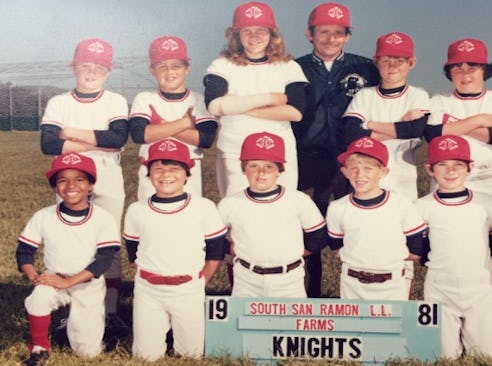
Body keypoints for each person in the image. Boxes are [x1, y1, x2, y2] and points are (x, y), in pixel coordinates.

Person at [39, 38, 129, 340]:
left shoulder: (115, 101)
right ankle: (69, 311)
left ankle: (111, 311)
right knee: (70, 241)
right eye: (85, 66)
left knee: (109, 242)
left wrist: (73, 134)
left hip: (107, 173)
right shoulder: (59, 102)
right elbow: (47, 143)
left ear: (109, 70)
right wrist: (95, 141)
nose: (91, 73)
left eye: (99, 68)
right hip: (70, 177)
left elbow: (117, 139)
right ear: (73, 66)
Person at [294, 2, 380, 298]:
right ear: (309, 33)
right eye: (323, 32)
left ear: (348, 36)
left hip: (351, 160)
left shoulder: (365, 67)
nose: (330, 38)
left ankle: (358, 296)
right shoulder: (295, 67)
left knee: (359, 226)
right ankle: (309, 296)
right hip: (307, 159)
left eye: (338, 33)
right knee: (307, 229)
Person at [123, 139, 228, 361]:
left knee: (191, 355)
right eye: (158, 168)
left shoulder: (203, 207)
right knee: (145, 357)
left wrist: (200, 281)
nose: (165, 175)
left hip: (188, 288)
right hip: (149, 290)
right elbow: (133, 253)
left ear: (187, 174)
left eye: (174, 168)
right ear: (149, 174)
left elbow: (216, 251)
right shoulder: (137, 210)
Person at [17, 153, 120, 366]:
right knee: (38, 299)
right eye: (62, 180)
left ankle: (69, 327)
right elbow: (24, 252)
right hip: (55, 279)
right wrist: (35, 276)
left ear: (91, 185)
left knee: (86, 353)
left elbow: (103, 260)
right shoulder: (44, 216)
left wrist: (69, 282)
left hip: (87, 283)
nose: (71, 185)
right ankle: (39, 348)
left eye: (79, 179)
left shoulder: (103, 218)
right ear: (55, 187)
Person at [203, 1, 308, 198]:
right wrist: (271, 98)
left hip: (279, 152)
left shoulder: (288, 66)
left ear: (272, 34)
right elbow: (215, 105)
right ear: (235, 35)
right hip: (235, 150)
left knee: (281, 210)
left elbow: (295, 112)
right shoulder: (222, 65)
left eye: (261, 30)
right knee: (238, 212)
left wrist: (236, 105)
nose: (254, 36)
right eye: (246, 31)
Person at [414, 135, 492, 359]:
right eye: (442, 165)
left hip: (479, 286)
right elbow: (421, 247)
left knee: (486, 355)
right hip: (440, 286)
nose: (450, 171)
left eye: (458, 165)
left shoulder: (486, 202)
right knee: (444, 356)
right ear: (430, 169)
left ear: (470, 167)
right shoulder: (422, 206)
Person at [217, 132, 327, 298]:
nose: (261, 173)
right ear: (243, 169)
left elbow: (318, 236)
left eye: (269, 166)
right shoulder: (231, 203)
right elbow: (211, 239)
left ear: (279, 170)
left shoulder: (298, 200)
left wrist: (297, 251)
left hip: (289, 279)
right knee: (246, 323)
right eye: (253, 166)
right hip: (246, 278)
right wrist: (230, 248)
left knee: (290, 323)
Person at [424, 38, 492, 208]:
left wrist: (451, 126)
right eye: (457, 67)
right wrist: (480, 120)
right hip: (445, 180)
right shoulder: (439, 100)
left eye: (472, 67)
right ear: (450, 72)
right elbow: (433, 135)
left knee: (486, 232)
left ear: (484, 70)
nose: (465, 74)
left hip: (488, 179)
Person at [326, 137, 426, 300]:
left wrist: (383, 257)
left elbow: (416, 249)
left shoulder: (401, 205)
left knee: (392, 325)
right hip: (353, 283)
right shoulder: (337, 208)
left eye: (368, 169)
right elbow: (337, 247)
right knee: (355, 325)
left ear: (383, 172)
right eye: (354, 169)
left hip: (391, 284)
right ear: (345, 172)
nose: (360, 175)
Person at [342, 31, 430, 201]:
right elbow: (350, 133)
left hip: (403, 175)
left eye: (400, 60)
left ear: (412, 63)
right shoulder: (364, 95)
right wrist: (399, 127)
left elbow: (416, 129)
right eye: (386, 60)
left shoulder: (418, 95)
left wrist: (371, 125)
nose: (392, 66)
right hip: (366, 175)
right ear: (376, 62)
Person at [129, 35, 217, 200]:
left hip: (189, 169)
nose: (169, 72)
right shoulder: (144, 98)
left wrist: (160, 124)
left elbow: (205, 139)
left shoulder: (199, 100)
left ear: (187, 69)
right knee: (151, 218)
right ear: (152, 70)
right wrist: (185, 123)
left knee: (189, 220)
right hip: (152, 168)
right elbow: (140, 135)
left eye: (176, 66)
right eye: (162, 67)